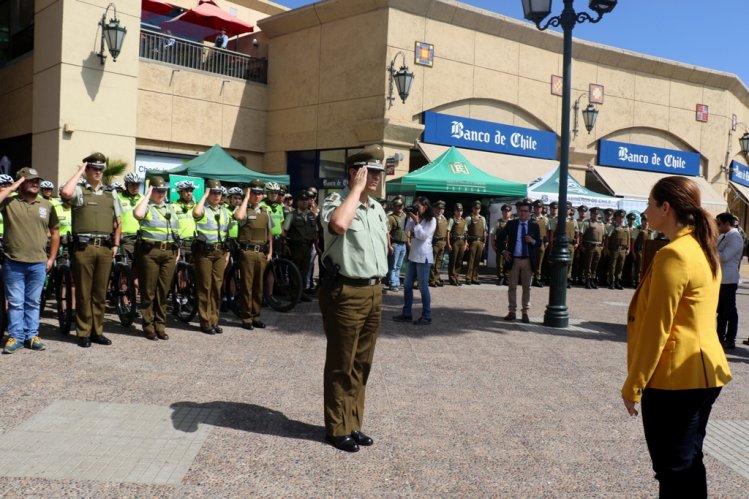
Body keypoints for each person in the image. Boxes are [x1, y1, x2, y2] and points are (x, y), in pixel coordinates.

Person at [621, 175, 732, 498]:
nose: (645, 211)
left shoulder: (674, 254)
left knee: (672, 469)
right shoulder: (701, 248)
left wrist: (635, 383)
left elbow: (658, 327)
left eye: (649, 204)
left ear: (665, 208)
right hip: (704, 372)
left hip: (676, 378)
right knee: (687, 463)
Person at [318, 144, 388, 453]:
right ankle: (337, 428)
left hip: (373, 291)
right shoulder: (335, 202)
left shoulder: (376, 207)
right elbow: (339, 224)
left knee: (362, 363)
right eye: (370, 172)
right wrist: (356, 190)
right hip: (346, 293)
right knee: (341, 363)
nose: (376, 177)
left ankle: (353, 423)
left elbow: (383, 246)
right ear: (354, 173)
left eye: (378, 173)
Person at [60, 152, 122, 348]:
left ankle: (97, 331)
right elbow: (65, 194)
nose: (98, 172)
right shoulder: (79, 190)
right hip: (84, 248)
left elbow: (117, 222)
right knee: (84, 292)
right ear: (87, 170)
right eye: (94, 168)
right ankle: (83, 333)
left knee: (100, 293)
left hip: (104, 248)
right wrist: (79, 172)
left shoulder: (111, 192)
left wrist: (116, 245)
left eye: (101, 169)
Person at [0, 168, 59, 354]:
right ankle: (15, 336)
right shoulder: (9, 202)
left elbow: (55, 232)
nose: (36, 183)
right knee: (16, 302)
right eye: (31, 180)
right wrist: (13, 187)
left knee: (33, 302)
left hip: (38, 262)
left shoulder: (47, 205)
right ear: (20, 182)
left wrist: (51, 257)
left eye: (37, 181)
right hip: (13, 261)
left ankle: (32, 336)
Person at [134, 176, 180, 341]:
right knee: (149, 291)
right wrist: (147, 195)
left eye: (163, 191)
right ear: (151, 190)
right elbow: (138, 214)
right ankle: (148, 326)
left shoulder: (170, 208)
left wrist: (178, 250)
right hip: (150, 253)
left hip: (169, 253)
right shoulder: (146, 206)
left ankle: (160, 325)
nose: (161, 194)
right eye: (157, 190)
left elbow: (176, 230)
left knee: (163, 291)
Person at [192, 179, 232, 335]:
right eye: (213, 192)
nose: (217, 196)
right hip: (205, 253)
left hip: (220, 252)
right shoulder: (203, 208)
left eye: (219, 193)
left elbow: (227, 233)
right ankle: (205, 321)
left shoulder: (224, 210)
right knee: (205, 287)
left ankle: (214, 320)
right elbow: (196, 213)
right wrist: (204, 196)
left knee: (217, 287)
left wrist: (227, 254)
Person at [234, 179, 273, 330]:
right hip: (248, 252)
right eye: (254, 193)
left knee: (258, 287)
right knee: (247, 287)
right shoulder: (243, 210)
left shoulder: (265, 212)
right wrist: (246, 197)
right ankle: (246, 318)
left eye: (260, 193)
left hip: (261, 253)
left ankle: (256, 316)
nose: (257, 196)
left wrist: (270, 251)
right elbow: (238, 217)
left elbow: (269, 234)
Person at [496, 198, 541, 323]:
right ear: (518, 211)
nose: (522, 213)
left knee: (527, 288)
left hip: (527, 260)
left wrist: (532, 241)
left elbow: (539, 243)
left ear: (529, 212)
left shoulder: (534, 226)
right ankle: (512, 311)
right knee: (512, 287)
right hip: (513, 259)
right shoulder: (511, 224)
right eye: (521, 210)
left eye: (525, 211)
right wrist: (503, 252)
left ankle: (525, 312)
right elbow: (499, 239)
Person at [393, 196, 436, 325]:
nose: (417, 208)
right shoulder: (416, 218)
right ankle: (407, 313)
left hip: (424, 257)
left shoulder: (431, 220)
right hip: (413, 256)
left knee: (423, 287)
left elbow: (422, 236)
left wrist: (417, 222)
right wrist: (408, 217)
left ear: (425, 206)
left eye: (418, 206)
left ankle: (427, 315)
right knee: (406, 285)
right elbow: (405, 230)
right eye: (415, 206)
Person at [283, 189, 317, 303]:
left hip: (308, 247)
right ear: (298, 202)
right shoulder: (291, 215)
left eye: (306, 200)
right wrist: (286, 246)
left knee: (304, 271)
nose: (304, 202)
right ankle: (293, 294)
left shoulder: (312, 215)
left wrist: (317, 247)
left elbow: (315, 232)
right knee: (294, 271)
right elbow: (284, 231)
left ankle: (301, 293)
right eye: (302, 200)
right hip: (295, 247)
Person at [715, 212, 742, 350]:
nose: (717, 226)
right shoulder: (723, 236)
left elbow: (725, 256)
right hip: (721, 278)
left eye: (719, 224)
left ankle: (731, 339)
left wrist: (710, 250)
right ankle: (719, 337)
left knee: (730, 311)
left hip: (729, 279)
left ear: (727, 223)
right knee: (721, 311)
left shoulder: (735, 238)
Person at [605, 209, 630, 290]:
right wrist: (606, 248)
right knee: (612, 266)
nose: (621, 219)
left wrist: (628, 248)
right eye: (620, 217)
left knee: (620, 266)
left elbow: (628, 238)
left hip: (623, 249)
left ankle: (617, 281)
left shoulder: (626, 227)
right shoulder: (612, 226)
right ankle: (611, 282)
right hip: (614, 249)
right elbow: (607, 238)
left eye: (623, 217)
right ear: (616, 218)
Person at [386, 197, 407, 291]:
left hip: (403, 244)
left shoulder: (405, 216)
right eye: (398, 206)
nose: (400, 207)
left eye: (401, 206)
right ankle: (392, 283)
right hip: (395, 244)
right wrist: (389, 245)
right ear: (394, 207)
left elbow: (408, 230)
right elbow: (387, 232)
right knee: (393, 265)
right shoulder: (391, 217)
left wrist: (408, 241)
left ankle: (397, 282)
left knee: (399, 265)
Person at [580, 207, 605, 289]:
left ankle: (592, 280)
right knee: (588, 264)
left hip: (598, 246)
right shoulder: (587, 223)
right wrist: (581, 245)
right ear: (591, 214)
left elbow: (604, 236)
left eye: (597, 214)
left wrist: (602, 245)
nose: (595, 215)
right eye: (594, 214)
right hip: (589, 246)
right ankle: (587, 280)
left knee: (595, 264)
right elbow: (581, 235)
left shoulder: (601, 224)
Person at [464, 200, 487, 285]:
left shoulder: (483, 218)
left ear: (480, 209)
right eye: (475, 208)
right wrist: (466, 242)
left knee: (477, 261)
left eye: (478, 208)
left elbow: (485, 231)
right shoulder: (469, 218)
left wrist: (484, 242)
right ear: (472, 209)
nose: (477, 210)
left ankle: (475, 277)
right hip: (472, 241)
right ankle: (468, 278)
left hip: (480, 242)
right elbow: (465, 231)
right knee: (471, 260)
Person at [446, 203, 468, 286]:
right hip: (454, 242)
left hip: (462, 242)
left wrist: (466, 243)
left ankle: (457, 277)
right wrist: (448, 244)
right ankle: (452, 279)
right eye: (458, 210)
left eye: (461, 211)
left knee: (459, 261)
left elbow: (465, 233)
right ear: (454, 211)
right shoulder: (451, 220)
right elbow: (448, 232)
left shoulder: (463, 220)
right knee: (453, 260)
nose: (459, 212)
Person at [428, 200, 448, 287]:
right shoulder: (433, 218)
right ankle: (432, 280)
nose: (440, 210)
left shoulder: (444, 218)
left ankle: (436, 278)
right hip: (435, 242)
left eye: (442, 208)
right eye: (439, 208)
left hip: (442, 242)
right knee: (433, 262)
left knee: (439, 262)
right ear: (435, 209)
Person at [530, 200, 548, 287]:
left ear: (542, 209)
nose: (538, 209)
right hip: (531, 242)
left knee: (539, 262)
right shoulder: (530, 218)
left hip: (541, 242)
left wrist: (547, 241)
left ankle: (537, 278)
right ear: (534, 208)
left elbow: (548, 231)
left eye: (539, 208)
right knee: (531, 261)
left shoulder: (545, 219)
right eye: (536, 207)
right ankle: (530, 278)